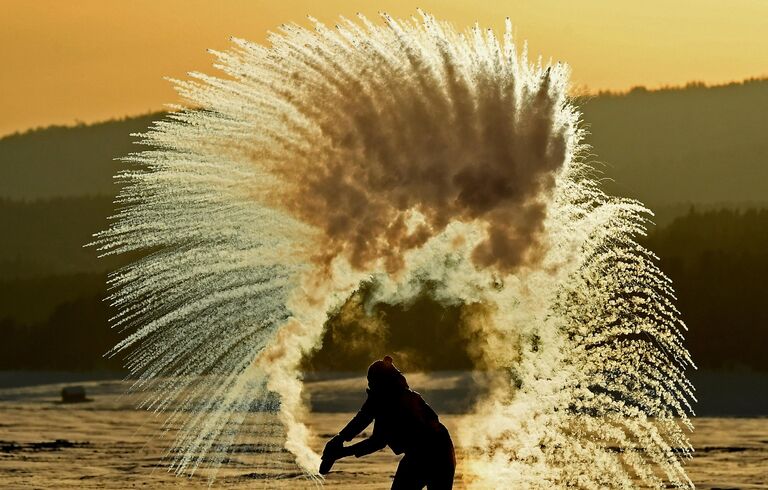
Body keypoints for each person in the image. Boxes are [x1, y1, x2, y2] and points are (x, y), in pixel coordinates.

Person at [320, 356, 456, 489]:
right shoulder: (390, 395)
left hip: (428, 454)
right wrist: (340, 437)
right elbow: (364, 416)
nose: (371, 388)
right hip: (441, 451)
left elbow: (377, 441)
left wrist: (340, 453)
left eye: (373, 384)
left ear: (381, 384)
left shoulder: (395, 402)